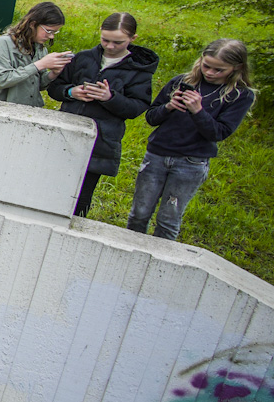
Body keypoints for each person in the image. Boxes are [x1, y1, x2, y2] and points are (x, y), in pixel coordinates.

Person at [128, 39, 255, 240]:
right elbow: (151, 117)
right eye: (206, 66)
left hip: (191, 162)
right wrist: (169, 107)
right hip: (157, 154)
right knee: (139, 214)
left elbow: (219, 133)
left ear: (236, 68)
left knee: (168, 220)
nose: (210, 73)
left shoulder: (240, 95)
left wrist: (198, 111)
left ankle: (161, 263)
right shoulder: (181, 81)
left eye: (219, 70)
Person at [46, 12, 158, 216]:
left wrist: (110, 98)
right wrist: (72, 92)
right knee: (51, 189)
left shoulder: (139, 71)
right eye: (105, 40)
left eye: (118, 42)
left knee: (81, 198)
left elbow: (137, 107)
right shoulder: (83, 58)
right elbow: (55, 88)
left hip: (101, 142)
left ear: (133, 39)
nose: (110, 46)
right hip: (67, 133)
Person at [0, 1, 70, 107]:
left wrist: (54, 73)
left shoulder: (41, 49)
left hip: (30, 110)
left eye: (54, 33)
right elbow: (2, 80)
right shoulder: (3, 43)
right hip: (0, 109)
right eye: (48, 31)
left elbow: (39, 85)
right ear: (33, 24)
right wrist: (40, 64)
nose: (51, 37)